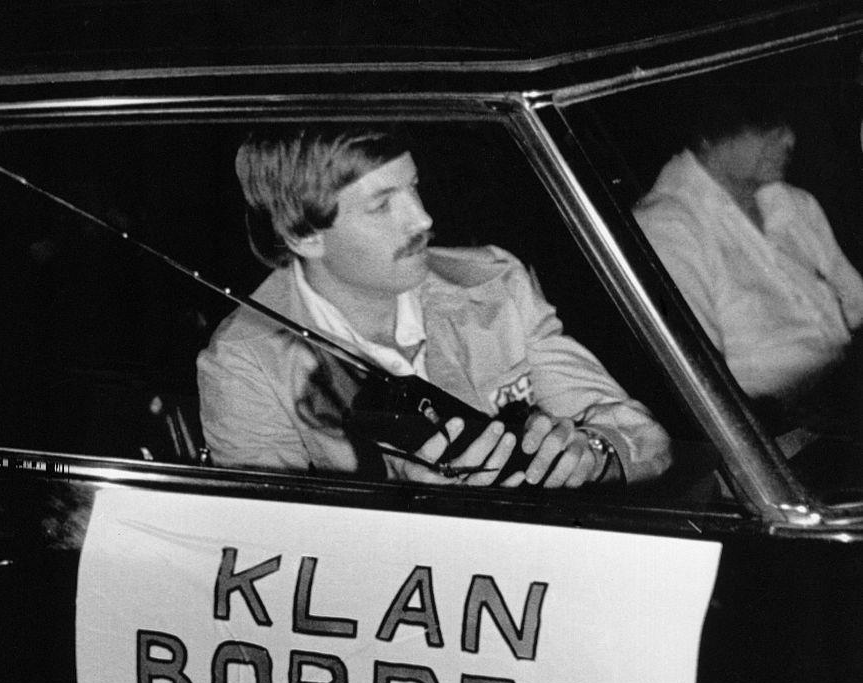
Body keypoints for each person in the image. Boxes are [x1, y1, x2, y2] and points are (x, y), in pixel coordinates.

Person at [198, 127, 671, 487]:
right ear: (303, 235)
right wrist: (409, 508)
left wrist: (591, 453)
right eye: (383, 205)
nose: (423, 218)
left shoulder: (494, 280)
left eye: (414, 188)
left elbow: (639, 433)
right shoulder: (246, 361)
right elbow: (270, 547)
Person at [634, 80, 863, 423]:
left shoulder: (792, 203)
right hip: (776, 429)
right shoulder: (668, 230)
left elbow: (857, 305)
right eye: (769, 131)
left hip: (844, 397)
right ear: (708, 137)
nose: (789, 140)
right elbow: (702, 386)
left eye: (788, 127)